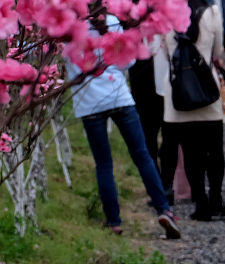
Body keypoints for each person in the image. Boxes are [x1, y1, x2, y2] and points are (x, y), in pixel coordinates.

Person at [65, 17, 182, 239]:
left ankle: (114, 222)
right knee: (142, 156)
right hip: (119, 97)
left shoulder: (68, 25)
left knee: (104, 164)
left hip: (89, 104)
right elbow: (127, 62)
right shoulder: (111, 20)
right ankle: (164, 209)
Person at [159, 0, 225, 221]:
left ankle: (201, 203)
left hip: (178, 92)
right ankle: (216, 199)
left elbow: (165, 56)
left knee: (190, 153)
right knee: (215, 150)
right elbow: (217, 51)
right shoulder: (212, 13)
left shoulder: (164, 15)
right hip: (206, 89)